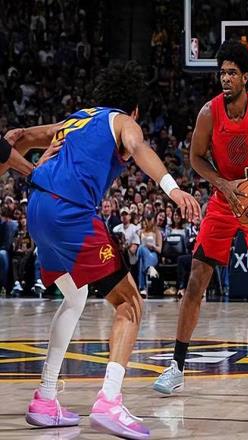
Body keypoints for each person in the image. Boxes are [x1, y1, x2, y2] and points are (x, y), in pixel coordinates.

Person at [14, 63, 200, 439]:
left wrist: (30, 165)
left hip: (37, 209)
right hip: (70, 212)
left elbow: (16, 137)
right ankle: (109, 401)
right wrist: (173, 189)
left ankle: (45, 398)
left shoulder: (75, 119)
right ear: (135, 108)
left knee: (75, 296)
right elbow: (139, 147)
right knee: (130, 303)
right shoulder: (122, 121)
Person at [153, 41, 248, 401]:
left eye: (232, 72)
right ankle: (176, 367)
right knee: (195, 282)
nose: (226, 78)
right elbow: (195, 157)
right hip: (223, 203)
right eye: (222, 72)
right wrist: (222, 184)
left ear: (246, 77)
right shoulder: (209, 113)